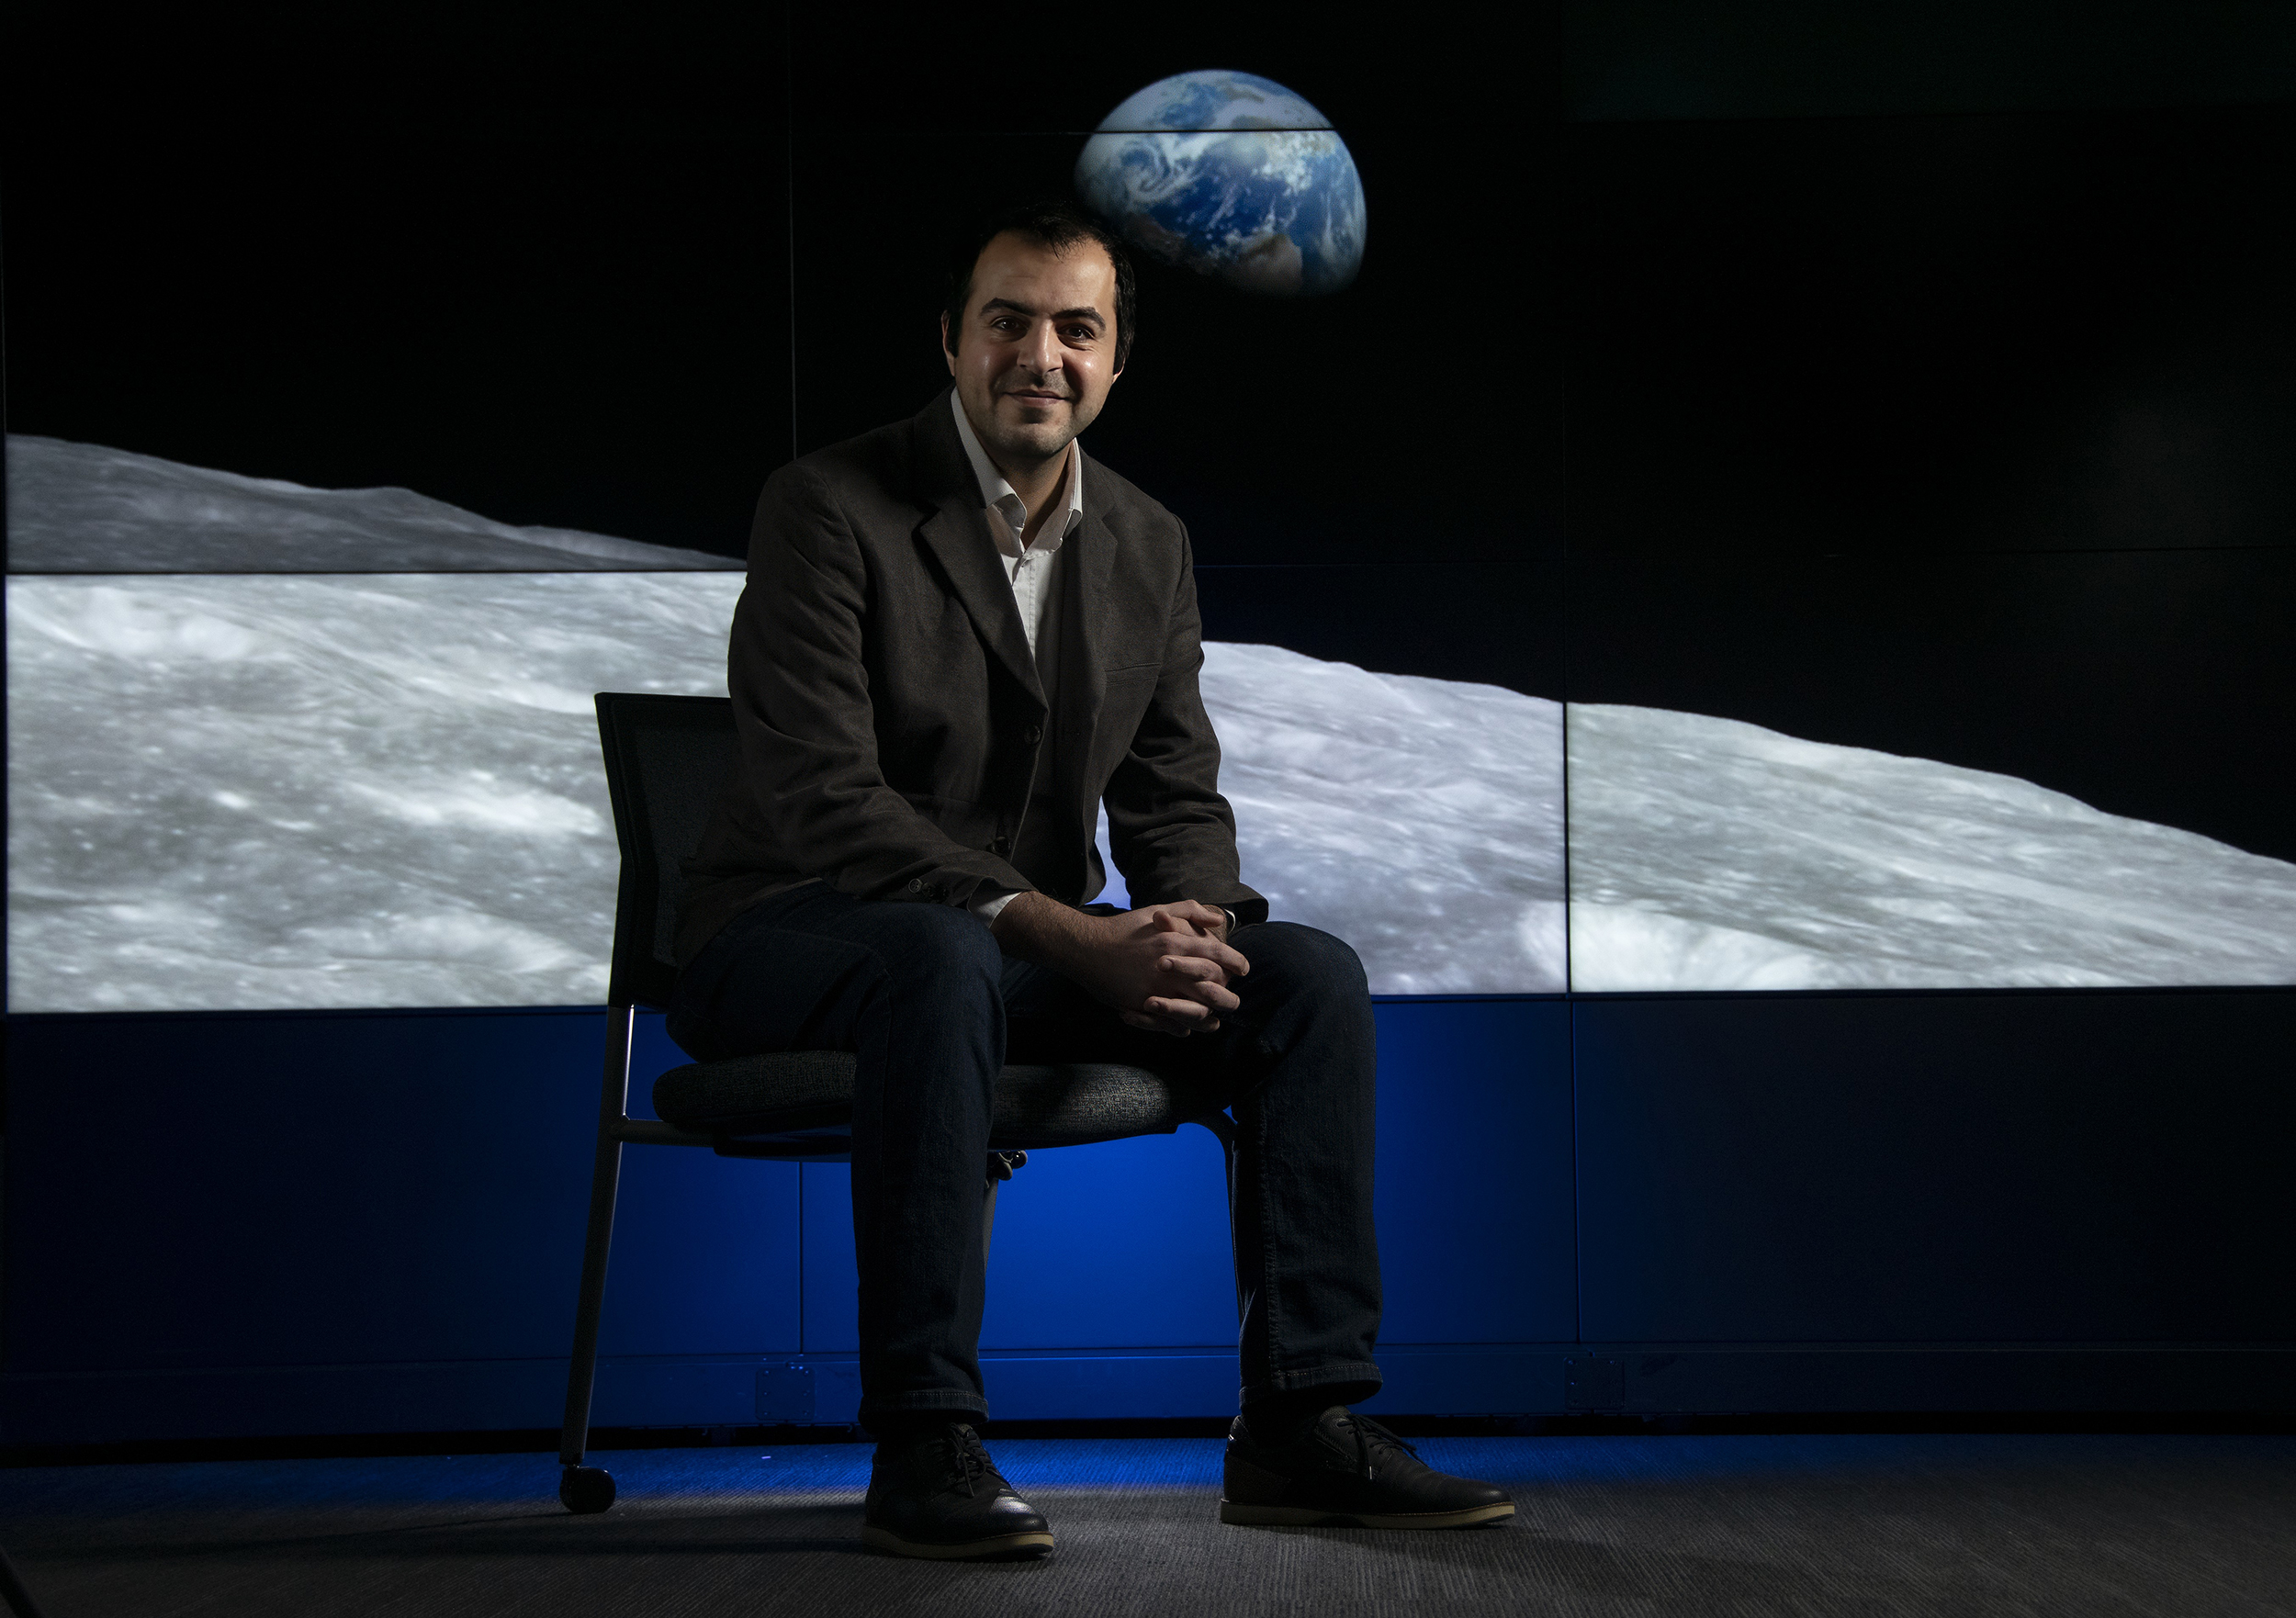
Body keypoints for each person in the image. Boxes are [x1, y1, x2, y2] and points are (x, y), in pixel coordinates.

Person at [669, 200, 1511, 1558]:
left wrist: (1191, 925)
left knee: (1305, 980)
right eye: (1008, 320)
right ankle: (926, 1437)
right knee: (936, 954)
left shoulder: (1148, 540)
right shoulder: (828, 506)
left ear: (1119, 361)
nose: (1040, 354)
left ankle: (1300, 1424)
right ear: (952, 342)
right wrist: (1072, 932)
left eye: (1077, 328)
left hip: (1014, 954)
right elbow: (827, 801)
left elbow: (1172, 786)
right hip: (787, 930)